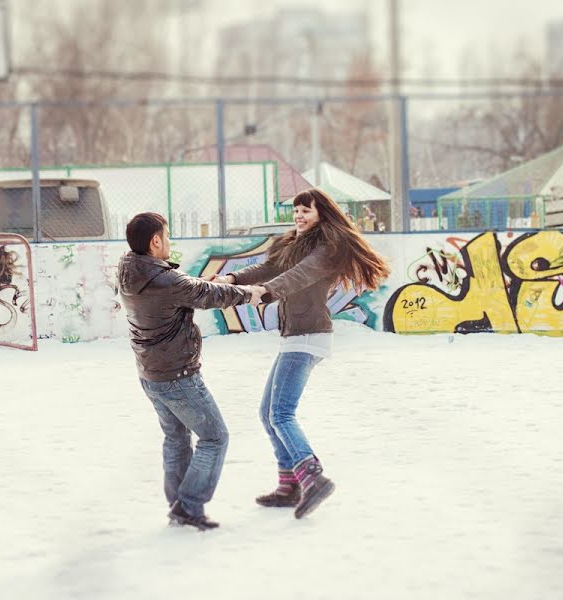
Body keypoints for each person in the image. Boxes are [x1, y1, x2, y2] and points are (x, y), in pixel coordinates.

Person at [213, 188, 390, 519]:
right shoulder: (290, 244)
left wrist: (266, 293)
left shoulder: (326, 248)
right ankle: (289, 485)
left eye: (306, 211)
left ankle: (312, 476)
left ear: (321, 212)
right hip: (295, 336)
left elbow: (299, 275)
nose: (299, 217)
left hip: (310, 336)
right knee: (268, 413)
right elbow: (268, 269)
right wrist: (233, 278)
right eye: (296, 211)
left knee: (280, 413)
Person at [118, 212, 262, 531]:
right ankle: (190, 505)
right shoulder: (164, 281)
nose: (169, 241)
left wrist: (201, 285)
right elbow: (205, 295)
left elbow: (188, 290)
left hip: (150, 373)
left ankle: (179, 507)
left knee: (176, 437)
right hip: (177, 376)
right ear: (155, 242)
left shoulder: (131, 269)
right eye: (167, 236)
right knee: (214, 437)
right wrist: (248, 293)